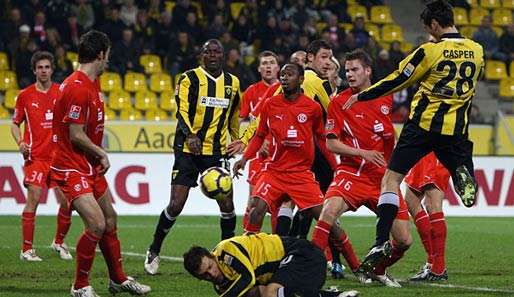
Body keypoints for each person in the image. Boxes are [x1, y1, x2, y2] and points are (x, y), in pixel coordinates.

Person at [341, 0, 484, 273]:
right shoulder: (476, 50)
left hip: (421, 127)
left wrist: (363, 95)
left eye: (429, 28)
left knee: (391, 180)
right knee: (458, 163)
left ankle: (381, 241)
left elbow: (398, 79)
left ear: (433, 24)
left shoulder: (430, 50)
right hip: (455, 129)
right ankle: (464, 172)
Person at [232, 64, 366, 284]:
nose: (284, 78)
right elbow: (259, 135)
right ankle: (245, 262)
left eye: (289, 75)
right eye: (282, 75)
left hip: (302, 175)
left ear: (301, 79)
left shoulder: (312, 108)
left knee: (328, 220)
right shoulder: (270, 104)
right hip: (274, 171)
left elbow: (322, 140)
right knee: (256, 210)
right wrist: (245, 159)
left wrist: (335, 167)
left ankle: (357, 267)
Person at [50, 30, 150, 297]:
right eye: (107, 56)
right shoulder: (77, 87)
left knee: (110, 219)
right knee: (96, 223)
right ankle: (80, 286)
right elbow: (75, 133)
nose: (108, 61)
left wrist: (95, 156)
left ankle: (117, 279)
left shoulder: (92, 84)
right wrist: (101, 153)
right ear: (101, 54)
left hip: (88, 165)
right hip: (70, 166)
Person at [311, 50, 412, 287]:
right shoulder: (339, 101)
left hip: (383, 179)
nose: (350, 74)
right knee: (327, 213)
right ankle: (311, 267)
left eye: (355, 69)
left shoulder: (386, 97)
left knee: (404, 241)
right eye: (347, 70)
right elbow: (331, 142)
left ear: (368, 71)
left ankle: (377, 269)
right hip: (352, 173)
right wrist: (363, 153)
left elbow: (389, 133)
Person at [145, 39, 242, 275]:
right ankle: (154, 250)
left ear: (223, 55)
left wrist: (237, 140)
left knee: (227, 204)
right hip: (189, 150)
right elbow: (181, 110)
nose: (212, 55)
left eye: (216, 52)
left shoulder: (232, 83)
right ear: (202, 55)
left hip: (216, 151)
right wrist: (190, 136)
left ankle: (226, 255)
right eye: (207, 51)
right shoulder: (189, 78)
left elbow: (234, 115)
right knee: (176, 204)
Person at [11, 51, 73, 262]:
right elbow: (14, 124)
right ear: (34, 70)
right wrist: (21, 142)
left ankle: (58, 242)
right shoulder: (25, 95)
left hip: (59, 158)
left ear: (52, 69)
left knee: (67, 202)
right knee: (34, 199)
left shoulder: (61, 92)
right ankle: (26, 250)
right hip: (36, 157)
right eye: (40, 67)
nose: (43, 71)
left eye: (47, 67)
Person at [183, 233, 359, 297]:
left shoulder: (225, 250)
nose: (212, 274)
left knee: (271, 292)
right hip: (289, 269)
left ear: (212, 256)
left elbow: (247, 278)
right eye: (205, 275)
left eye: (210, 267)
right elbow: (253, 290)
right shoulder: (222, 286)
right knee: (260, 293)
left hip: (303, 255)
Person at [405, 152, 451, 281]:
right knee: (411, 200)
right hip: (420, 151)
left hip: (436, 150)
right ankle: (432, 262)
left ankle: (439, 268)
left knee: (433, 206)